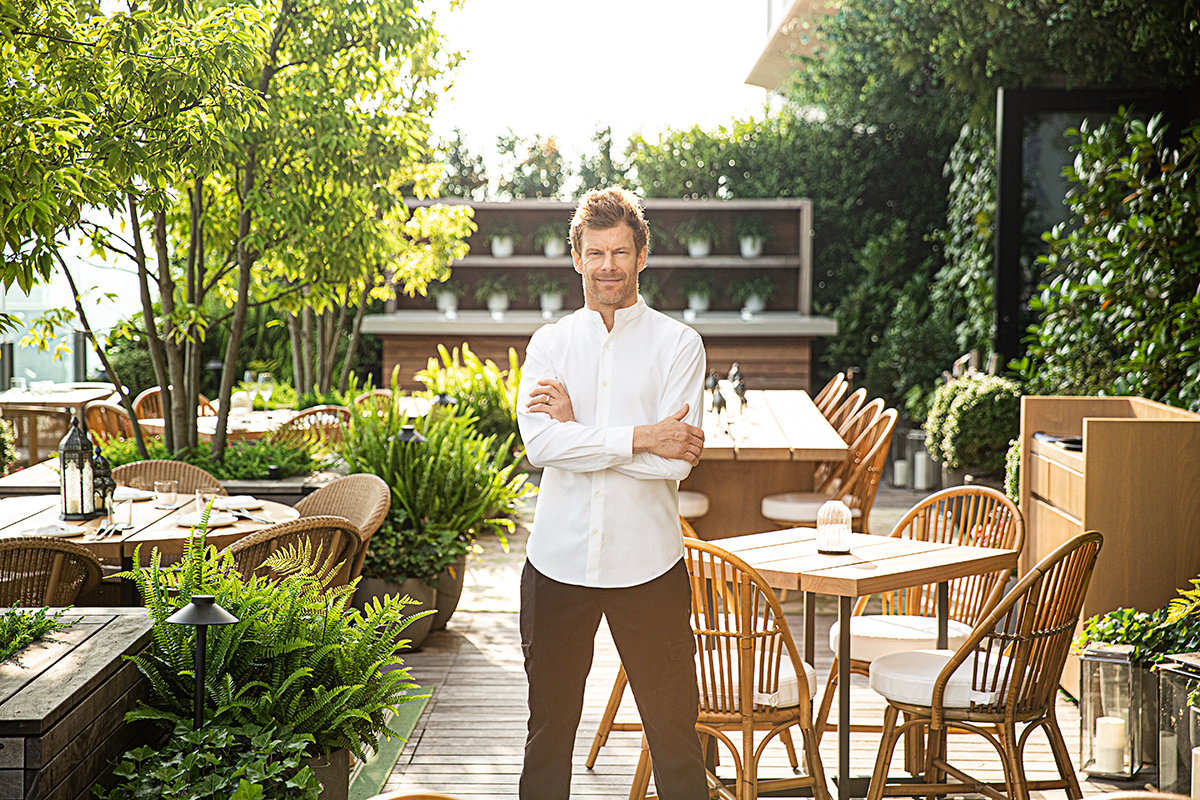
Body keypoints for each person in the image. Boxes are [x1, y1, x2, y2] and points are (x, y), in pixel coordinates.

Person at [516, 186, 708, 800]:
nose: (608, 267)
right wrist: (644, 436)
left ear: (642, 255)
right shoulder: (550, 344)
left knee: (676, 738)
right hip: (557, 565)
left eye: (620, 252)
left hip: (649, 568)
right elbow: (542, 450)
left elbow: (673, 468)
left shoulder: (679, 344)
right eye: (595, 253)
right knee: (548, 736)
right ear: (576, 257)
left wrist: (581, 435)